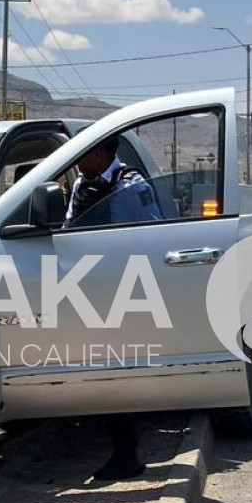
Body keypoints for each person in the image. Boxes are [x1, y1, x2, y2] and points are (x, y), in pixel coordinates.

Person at [64, 134, 162, 480]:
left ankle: (126, 454)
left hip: (122, 291)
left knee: (113, 375)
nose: (78, 159)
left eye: (85, 152)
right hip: (88, 289)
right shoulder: (81, 184)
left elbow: (151, 233)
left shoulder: (131, 184)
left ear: (104, 152)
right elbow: (68, 228)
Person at [65, 134, 162, 227]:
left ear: (97, 155)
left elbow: (152, 231)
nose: (77, 161)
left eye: (80, 155)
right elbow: (67, 226)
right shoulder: (80, 184)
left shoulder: (133, 187)